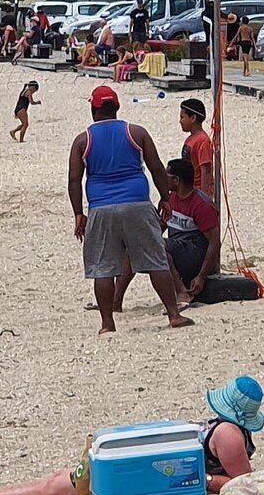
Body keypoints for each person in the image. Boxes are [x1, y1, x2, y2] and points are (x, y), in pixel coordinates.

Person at [0, 376, 264, 495]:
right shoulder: (231, 435)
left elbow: (234, 483)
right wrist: (206, 480)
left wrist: (205, 479)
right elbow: (241, 483)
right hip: (149, 472)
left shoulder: (224, 431)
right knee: (53, 485)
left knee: (53, 484)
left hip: (143, 464)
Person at [70, 84, 191, 332]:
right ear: (117, 107)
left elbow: (74, 179)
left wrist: (78, 214)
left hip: (101, 207)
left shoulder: (83, 140)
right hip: (137, 202)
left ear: (93, 110)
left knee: (103, 267)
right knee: (156, 259)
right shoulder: (136, 132)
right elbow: (157, 167)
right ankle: (173, 314)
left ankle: (107, 324)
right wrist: (165, 198)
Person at [142, 155, 221, 304]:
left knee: (159, 246)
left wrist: (201, 277)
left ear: (176, 181)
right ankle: (116, 301)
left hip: (194, 255)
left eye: (166, 176)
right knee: (135, 245)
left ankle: (181, 291)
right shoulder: (171, 198)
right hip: (177, 249)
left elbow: (215, 243)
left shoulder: (202, 206)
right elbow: (161, 227)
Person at [178, 97, 218, 206]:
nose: (180, 121)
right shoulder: (190, 139)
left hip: (199, 192)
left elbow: (206, 170)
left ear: (193, 118)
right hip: (190, 189)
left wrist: (203, 197)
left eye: (182, 117)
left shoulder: (203, 141)